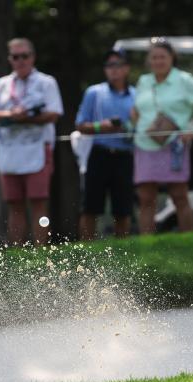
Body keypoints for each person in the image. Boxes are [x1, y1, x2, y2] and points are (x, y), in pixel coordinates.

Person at [132, 37, 193, 234]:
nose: (158, 61)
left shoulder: (184, 80)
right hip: (144, 144)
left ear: (172, 58)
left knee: (179, 195)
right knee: (146, 197)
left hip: (174, 145)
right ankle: (146, 244)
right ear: (149, 60)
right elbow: (135, 110)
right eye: (154, 57)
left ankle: (187, 241)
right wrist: (139, 125)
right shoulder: (143, 81)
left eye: (162, 57)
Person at [0, 38, 63, 245]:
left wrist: (27, 116)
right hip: (9, 150)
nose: (20, 61)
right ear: (10, 59)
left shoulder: (46, 82)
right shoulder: (2, 84)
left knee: (39, 203)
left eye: (24, 56)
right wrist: (11, 114)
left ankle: (41, 251)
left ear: (33, 57)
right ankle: (17, 252)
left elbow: (54, 113)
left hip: (37, 149)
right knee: (14, 204)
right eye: (15, 56)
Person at [75, 48, 135, 240]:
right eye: (109, 65)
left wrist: (127, 127)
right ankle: (85, 251)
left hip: (125, 155)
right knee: (90, 207)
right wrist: (102, 127)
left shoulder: (136, 94)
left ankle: (122, 251)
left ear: (127, 68)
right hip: (99, 153)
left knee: (123, 208)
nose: (113, 70)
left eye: (118, 65)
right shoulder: (94, 92)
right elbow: (81, 125)